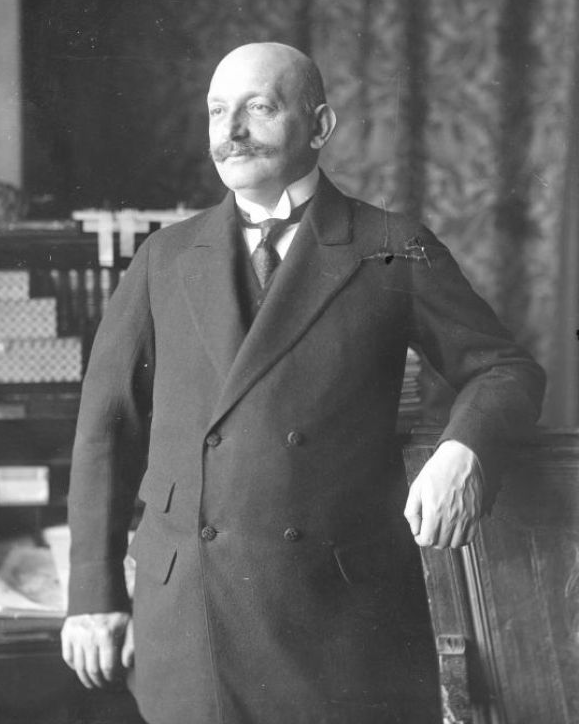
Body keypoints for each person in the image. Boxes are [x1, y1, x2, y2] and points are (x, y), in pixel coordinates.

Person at [61, 42, 545, 724]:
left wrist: (463, 449)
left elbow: (505, 369)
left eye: (259, 108)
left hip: (338, 620)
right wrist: (92, 594)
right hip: (190, 617)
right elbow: (106, 428)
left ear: (319, 126)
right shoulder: (163, 257)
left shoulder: (389, 243)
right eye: (218, 111)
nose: (232, 132)